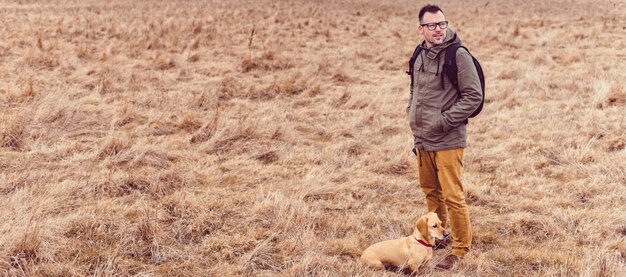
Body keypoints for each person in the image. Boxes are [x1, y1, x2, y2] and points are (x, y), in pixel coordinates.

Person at [406, 4, 483, 270]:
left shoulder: (457, 55)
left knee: (453, 196)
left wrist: (444, 121)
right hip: (422, 137)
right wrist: (411, 114)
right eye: (431, 25)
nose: (438, 29)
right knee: (431, 192)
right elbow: (414, 89)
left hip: (448, 138)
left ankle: (460, 249)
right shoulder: (419, 53)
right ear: (421, 29)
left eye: (442, 24)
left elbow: (474, 96)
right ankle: (438, 236)